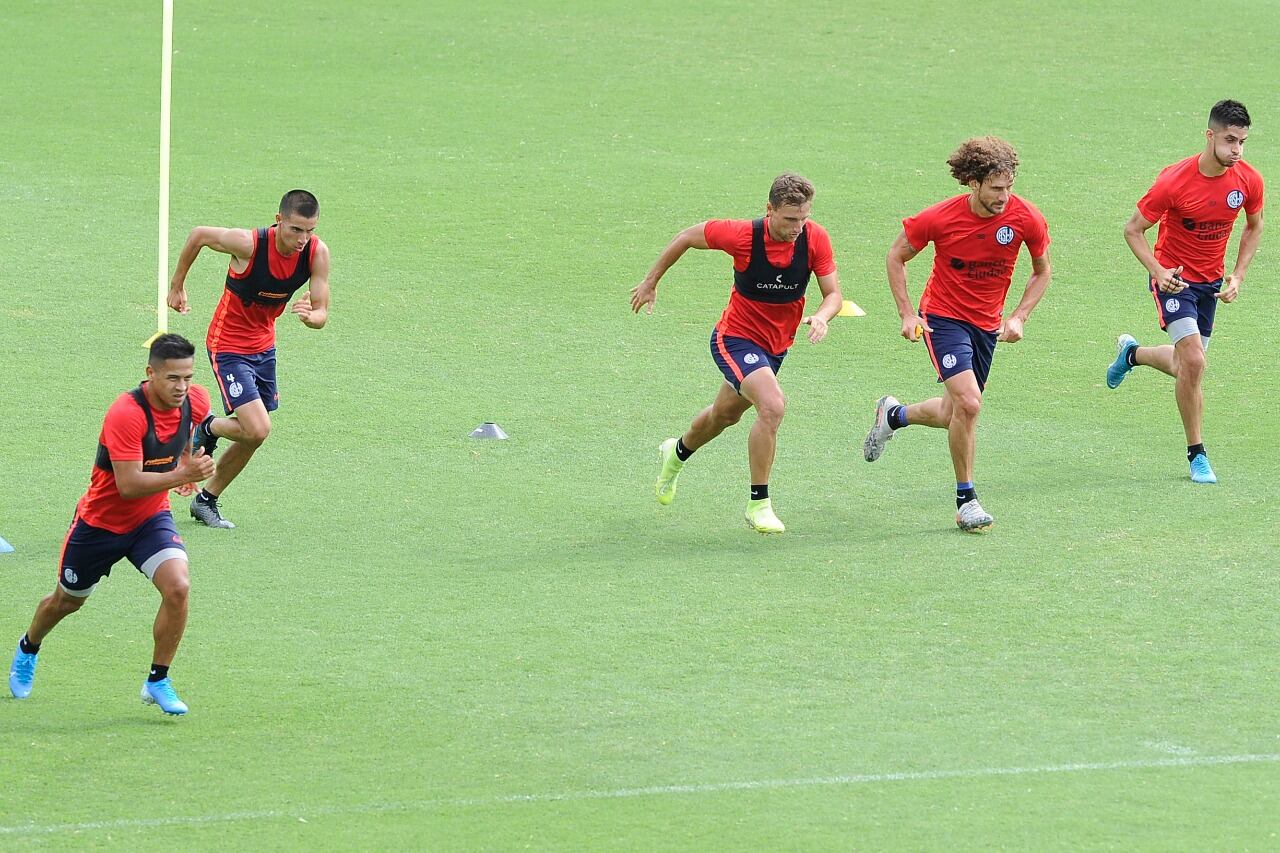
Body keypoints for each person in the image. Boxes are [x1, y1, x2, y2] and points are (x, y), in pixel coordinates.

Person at [8, 334, 215, 715]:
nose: (182, 387)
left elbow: (184, 432)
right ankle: (29, 646)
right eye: (172, 378)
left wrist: (185, 462)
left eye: (187, 377)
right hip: (99, 525)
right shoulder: (126, 413)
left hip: (150, 519)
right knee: (66, 602)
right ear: (150, 373)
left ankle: (157, 680)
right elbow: (128, 485)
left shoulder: (195, 400)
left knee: (178, 588)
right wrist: (181, 474)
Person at [630, 173, 842, 534]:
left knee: (724, 416)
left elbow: (833, 294)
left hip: (776, 347)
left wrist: (822, 316)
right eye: (790, 219)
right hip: (736, 339)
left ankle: (675, 453)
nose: (797, 228)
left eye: (804, 218)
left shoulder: (814, 238)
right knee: (772, 406)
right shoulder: (743, 235)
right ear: (769, 209)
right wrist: (651, 281)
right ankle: (759, 504)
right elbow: (686, 237)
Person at [862, 137, 1052, 532]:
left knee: (953, 413)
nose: (1004, 197)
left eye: (1009, 187)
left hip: (987, 325)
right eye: (996, 188)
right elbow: (896, 256)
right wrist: (907, 313)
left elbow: (1042, 271)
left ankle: (893, 415)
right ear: (973, 183)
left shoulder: (1026, 218)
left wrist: (1020, 316)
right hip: (943, 318)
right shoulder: (940, 217)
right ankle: (966, 501)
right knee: (969, 403)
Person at [1106, 100, 1264, 484]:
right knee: (1194, 362)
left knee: (1184, 366)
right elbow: (1133, 229)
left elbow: (1254, 225)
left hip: (1211, 283)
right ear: (1210, 136)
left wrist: (1238, 275)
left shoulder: (1248, 180)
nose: (1237, 150)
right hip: (1174, 280)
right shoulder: (1174, 182)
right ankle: (1197, 454)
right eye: (1230, 140)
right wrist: (1158, 272)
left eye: (1242, 142)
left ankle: (1132, 354)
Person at [168, 189, 331, 528]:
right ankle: (207, 427)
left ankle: (206, 499)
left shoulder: (316, 253)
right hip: (227, 344)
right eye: (296, 229)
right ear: (278, 220)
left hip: (264, 347)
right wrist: (177, 285)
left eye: (310, 230)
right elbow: (199, 235)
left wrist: (310, 317)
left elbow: (321, 313)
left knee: (251, 433)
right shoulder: (249, 245)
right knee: (257, 429)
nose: (303, 239)